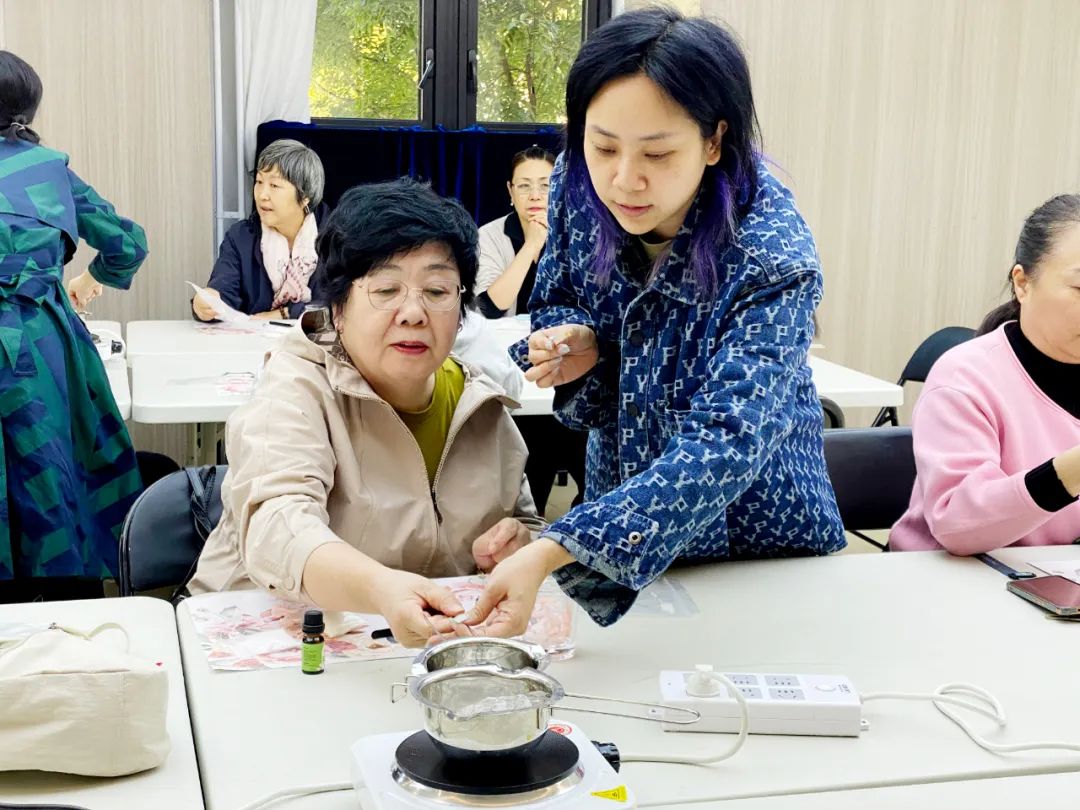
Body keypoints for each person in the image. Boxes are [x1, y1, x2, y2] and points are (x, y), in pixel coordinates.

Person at [451, 9, 844, 636]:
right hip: (624, 504)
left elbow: (731, 436)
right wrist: (581, 342)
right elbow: (559, 296)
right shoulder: (575, 189)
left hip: (758, 540)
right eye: (603, 146)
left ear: (714, 140)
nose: (624, 179)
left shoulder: (770, 253)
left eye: (657, 153)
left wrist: (557, 546)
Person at [188, 178, 540, 647]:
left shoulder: (479, 402)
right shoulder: (296, 387)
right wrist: (379, 588)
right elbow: (278, 526)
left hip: (414, 654)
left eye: (437, 291)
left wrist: (518, 545)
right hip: (274, 645)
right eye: (386, 289)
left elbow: (525, 521)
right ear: (337, 308)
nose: (413, 312)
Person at [0, 51, 148, 599]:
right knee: (53, 472)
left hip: (27, 338)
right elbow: (127, 244)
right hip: (38, 343)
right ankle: (68, 608)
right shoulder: (48, 169)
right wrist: (89, 279)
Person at [890, 194, 1080, 553]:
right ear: (1023, 283)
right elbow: (957, 525)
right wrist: (1071, 470)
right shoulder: (965, 377)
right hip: (948, 576)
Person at [193, 139, 326, 321]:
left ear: (305, 196)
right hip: (255, 338)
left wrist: (285, 313)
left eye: (274, 185)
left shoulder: (338, 237)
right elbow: (223, 293)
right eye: (259, 181)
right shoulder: (241, 237)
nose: (262, 195)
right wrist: (206, 302)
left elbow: (339, 306)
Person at [474, 145, 556, 318]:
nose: (535, 196)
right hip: (504, 334)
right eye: (524, 186)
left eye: (545, 185)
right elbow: (488, 309)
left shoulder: (575, 235)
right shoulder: (489, 236)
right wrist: (531, 245)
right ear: (511, 191)